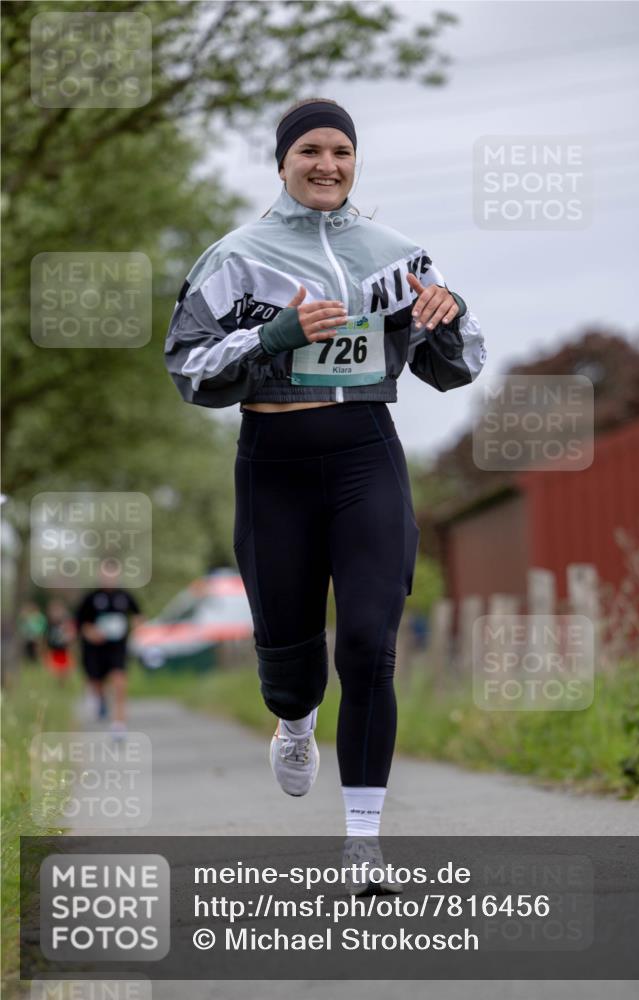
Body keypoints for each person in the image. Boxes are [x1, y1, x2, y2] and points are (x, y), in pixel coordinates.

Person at [165, 98, 486, 893]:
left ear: (354, 162)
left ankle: (362, 842)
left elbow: (458, 364)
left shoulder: (400, 254)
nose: (327, 165)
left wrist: (447, 320)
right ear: (283, 161)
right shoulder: (235, 258)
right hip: (272, 460)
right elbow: (187, 369)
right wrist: (277, 334)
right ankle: (296, 718)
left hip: (364, 455)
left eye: (341, 151)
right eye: (310, 149)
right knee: (292, 661)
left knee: (369, 648)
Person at [75, 563, 142, 739]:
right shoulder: (91, 598)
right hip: (95, 650)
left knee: (119, 684)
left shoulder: (125, 596)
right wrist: (91, 633)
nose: (109, 579)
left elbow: (138, 615)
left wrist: (135, 627)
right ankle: (101, 700)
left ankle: (119, 725)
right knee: (97, 683)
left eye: (112, 576)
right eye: (106, 576)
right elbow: (81, 624)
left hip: (117, 648)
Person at [41, 598, 76, 684]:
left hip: (63, 649)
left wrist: (69, 639)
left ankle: (63, 682)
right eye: (54, 611)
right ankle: (58, 682)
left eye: (58, 611)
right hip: (53, 649)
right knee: (54, 669)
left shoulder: (66, 623)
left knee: (65, 668)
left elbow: (71, 634)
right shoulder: (48, 624)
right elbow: (44, 637)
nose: (56, 614)